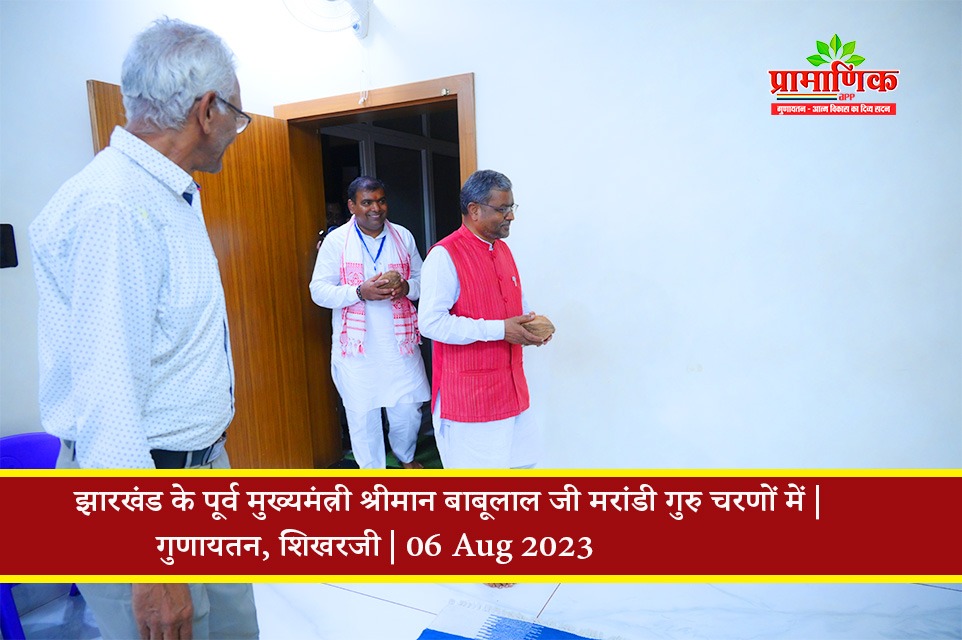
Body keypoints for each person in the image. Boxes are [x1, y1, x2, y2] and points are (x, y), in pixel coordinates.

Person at [29, 17, 258, 639]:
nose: (236, 132)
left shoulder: (167, 194)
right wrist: (149, 565)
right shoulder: (116, 207)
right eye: (237, 116)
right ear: (207, 110)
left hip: (199, 472)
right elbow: (106, 399)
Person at [418, 169, 549, 469]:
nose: (510, 216)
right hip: (470, 402)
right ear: (474, 210)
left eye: (511, 207)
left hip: (512, 393)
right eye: (502, 209)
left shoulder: (502, 250)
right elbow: (431, 323)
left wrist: (531, 329)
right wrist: (501, 330)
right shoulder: (444, 255)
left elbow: (515, 307)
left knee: (524, 472)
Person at [309, 176, 431, 469]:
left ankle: (405, 456)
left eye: (381, 201)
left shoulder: (403, 236)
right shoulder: (337, 241)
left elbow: (423, 281)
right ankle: (373, 472)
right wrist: (359, 292)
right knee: (363, 415)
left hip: (399, 347)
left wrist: (407, 288)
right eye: (367, 202)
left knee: (408, 410)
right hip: (357, 350)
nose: (376, 208)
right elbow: (318, 291)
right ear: (352, 206)